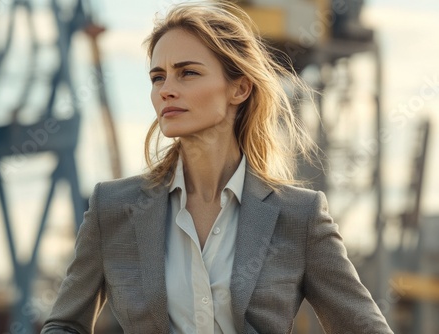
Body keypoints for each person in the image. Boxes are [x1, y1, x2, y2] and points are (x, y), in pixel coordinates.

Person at [41, 1, 393, 333]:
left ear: (239, 89)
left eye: (187, 73)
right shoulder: (112, 207)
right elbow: (64, 325)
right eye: (157, 77)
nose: (166, 90)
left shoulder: (300, 216)